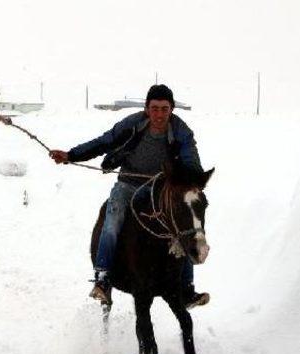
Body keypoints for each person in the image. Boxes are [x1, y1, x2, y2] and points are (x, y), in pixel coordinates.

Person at [49, 84, 210, 309]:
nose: (160, 114)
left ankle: (186, 289)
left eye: (165, 108)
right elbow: (105, 141)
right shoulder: (133, 123)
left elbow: (190, 157)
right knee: (112, 220)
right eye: (155, 108)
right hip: (128, 184)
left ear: (172, 109)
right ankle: (103, 279)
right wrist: (72, 155)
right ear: (146, 108)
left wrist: (191, 178)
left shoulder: (181, 130)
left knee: (181, 223)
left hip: (159, 188)